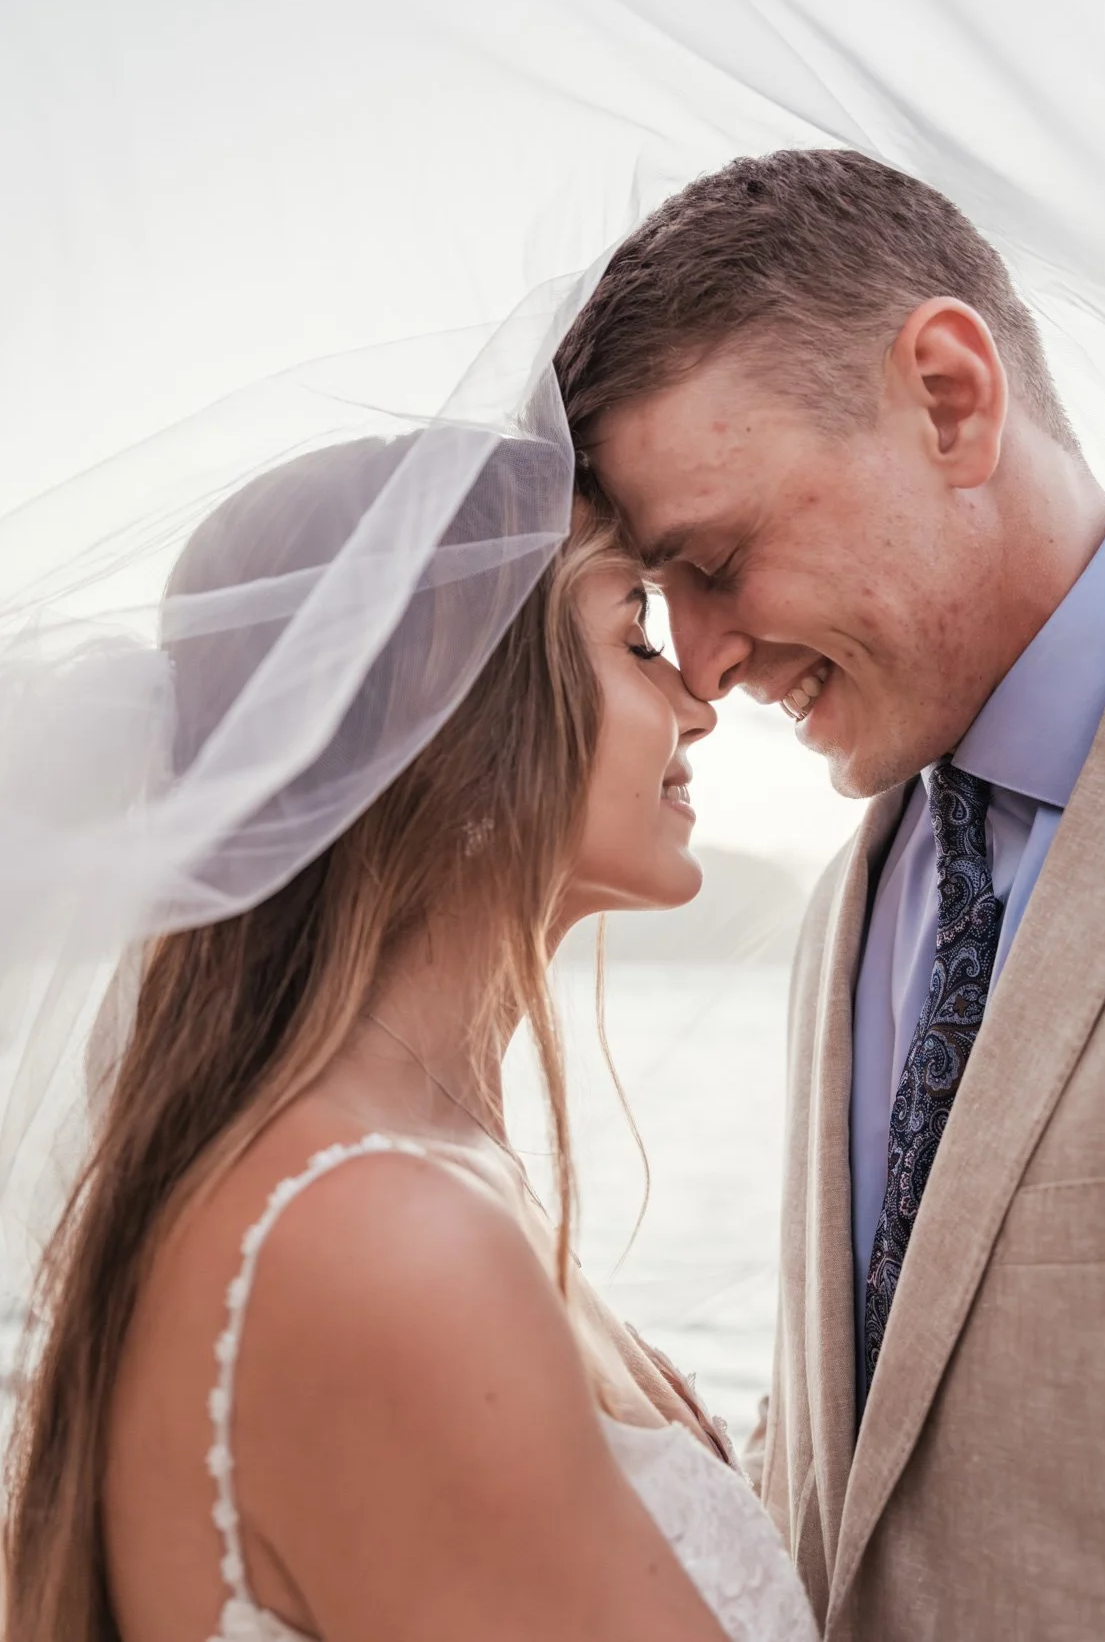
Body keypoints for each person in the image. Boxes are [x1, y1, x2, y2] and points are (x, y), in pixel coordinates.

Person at [3, 432, 818, 1642]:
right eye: (634, 638)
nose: (698, 701)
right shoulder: (376, 1238)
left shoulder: (405, 1176)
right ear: (457, 735)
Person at [556, 147, 1105, 1641]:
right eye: (662, 606)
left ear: (951, 400)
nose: (703, 664)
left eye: (718, 560)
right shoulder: (862, 897)